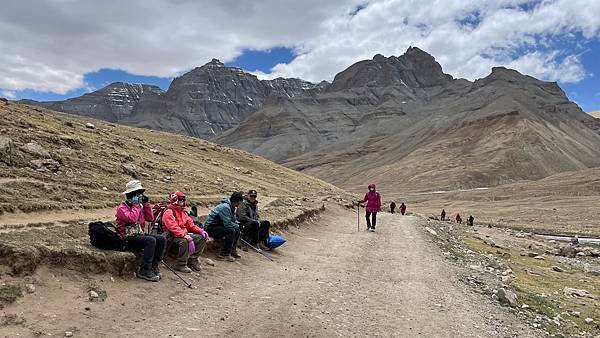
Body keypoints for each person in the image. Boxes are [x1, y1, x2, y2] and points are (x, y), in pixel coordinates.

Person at [115, 180, 165, 282]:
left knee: (161, 239)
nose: (140, 196)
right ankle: (144, 270)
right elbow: (132, 219)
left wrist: (146, 205)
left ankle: (153, 266)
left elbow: (150, 218)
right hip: (127, 237)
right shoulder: (122, 208)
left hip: (138, 234)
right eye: (138, 194)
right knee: (150, 240)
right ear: (132, 195)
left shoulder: (139, 207)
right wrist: (136, 205)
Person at [162, 191, 209, 273]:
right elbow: (173, 227)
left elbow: (190, 225)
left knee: (201, 238)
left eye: (183, 200)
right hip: (172, 236)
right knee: (184, 241)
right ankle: (181, 264)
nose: (182, 201)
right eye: (180, 199)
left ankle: (193, 259)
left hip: (183, 234)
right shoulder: (169, 212)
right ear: (175, 199)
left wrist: (201, 231)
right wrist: (184, 235)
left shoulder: (182, 211)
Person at [204, 192, 243, 262]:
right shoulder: (225, 207)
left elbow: (233, 220)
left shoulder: (232, 207)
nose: (240, 204)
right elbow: (227, 223)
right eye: (239, 202)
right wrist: (237, 225)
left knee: (237, 230)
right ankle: (224, 254)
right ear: (236, 201)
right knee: (231, 231)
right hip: (210, 227)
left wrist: (239, 225)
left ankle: (232, 250)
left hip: (218, 226)